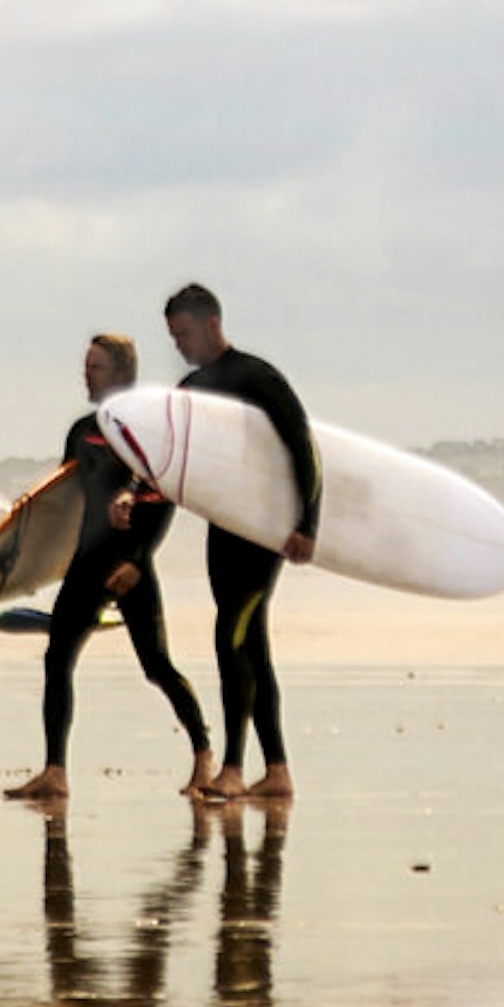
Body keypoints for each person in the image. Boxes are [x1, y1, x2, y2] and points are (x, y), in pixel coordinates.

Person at [7, 333, 212, 803]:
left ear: (121, 373)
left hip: (129, 563)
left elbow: (161, 499)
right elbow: (63, 501)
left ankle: (204, 755)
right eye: (86, 366)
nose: (86, 374)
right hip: (87, 560)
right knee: (58, 658)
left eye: (95, 367)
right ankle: (54, 771)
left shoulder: (146, 430)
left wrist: (137, 560)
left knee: (156, 665)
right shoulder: (81, 431)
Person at [165, 284, 317, 805]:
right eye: (173, 337)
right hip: (222, 529)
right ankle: (276, 772)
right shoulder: (191, 387)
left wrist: (307, 524)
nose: (180, 345)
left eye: (184, 333)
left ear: (212, 324)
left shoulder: (258, 378)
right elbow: (176, 463)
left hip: (262, 533)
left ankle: (232, 767)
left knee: (231, 634)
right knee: (250, 642)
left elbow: (303, 448)